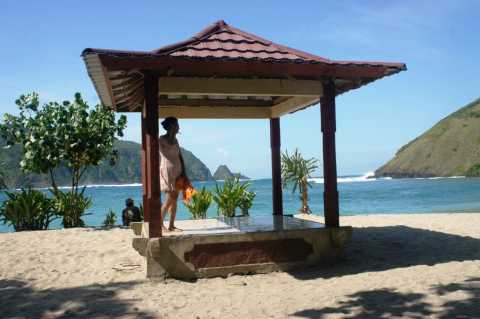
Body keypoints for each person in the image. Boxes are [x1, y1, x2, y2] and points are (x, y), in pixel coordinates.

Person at [159, 116, 187, 232]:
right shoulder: (161, 139)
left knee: (175, 199)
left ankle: (171, 225)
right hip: (167, 171)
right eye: (177, 125)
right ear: (171, 126)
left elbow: (179, 156)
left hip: (177, 171)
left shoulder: (176, 140)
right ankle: (159, 224)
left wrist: (184, 171)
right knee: (169, 198)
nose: (178, 127)